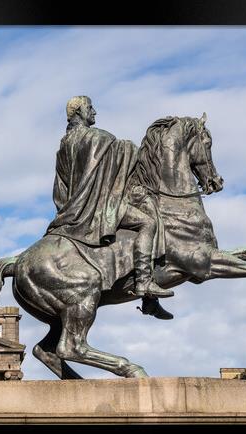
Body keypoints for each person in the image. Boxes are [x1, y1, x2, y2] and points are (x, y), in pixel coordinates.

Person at [45, 96, 174, 319]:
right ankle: (144, 282)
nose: (94, 112)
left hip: (75, 209)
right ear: (78, 112)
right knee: (148, 223)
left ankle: (149, 299)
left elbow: (60, 188)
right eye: (90, 108)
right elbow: (126, 155)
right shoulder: (98, 138)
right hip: (99, 207)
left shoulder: (64, 146)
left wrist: (70, 210)